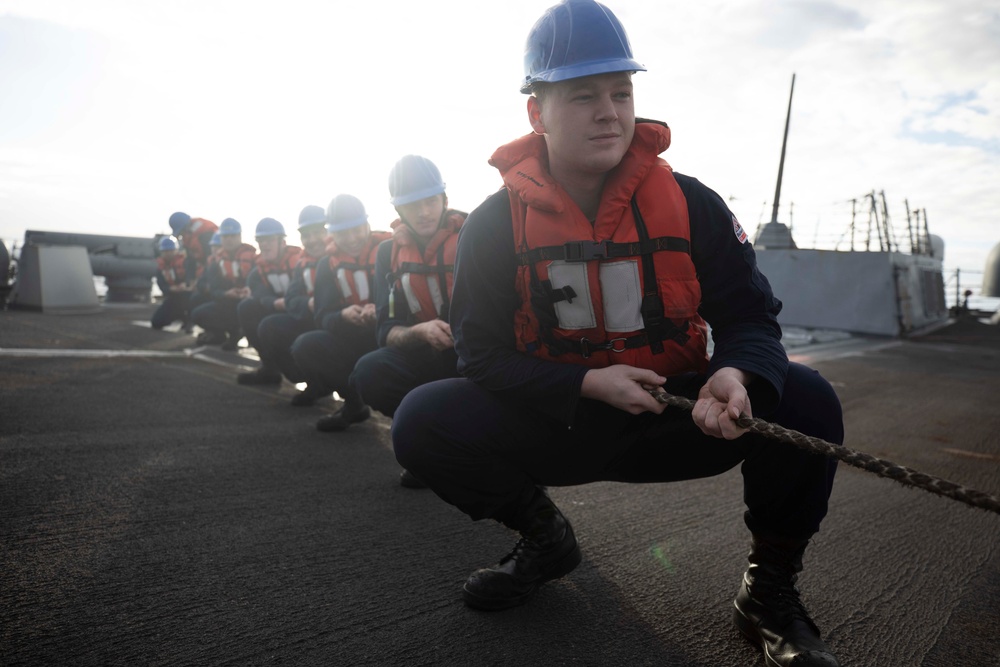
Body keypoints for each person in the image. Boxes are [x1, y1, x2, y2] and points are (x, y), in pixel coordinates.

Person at [389, 2, 844, 666]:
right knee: (422, 419)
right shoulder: (493, 226)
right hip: (559, 421)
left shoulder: (693, 202)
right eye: (583, 95)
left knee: (807, 399)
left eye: (621, 91)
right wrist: (584, 382)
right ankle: (544, 536)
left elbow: (751, 318)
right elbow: (479, 353)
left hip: (676, 417)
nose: (609, 110)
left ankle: (768, 590)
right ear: (536, 112)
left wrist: (736, 374)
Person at [351, 156, 467, 487]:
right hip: (427, 350)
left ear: (444, 199)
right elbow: (385, 330)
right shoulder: (388, 254)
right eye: (413, 204)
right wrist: (419, 330)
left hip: (479, 355)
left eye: (431, 201)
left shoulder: (475, 235)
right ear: (399, 211)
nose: (424, 212)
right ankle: (429, 447)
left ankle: (508, 461)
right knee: (370, 370)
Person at [291, 195, 391, 424]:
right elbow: (322, 316)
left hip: (390, 337)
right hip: (353, 337)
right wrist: (343, 315)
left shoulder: (389, 251)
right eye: (343, 233)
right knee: (305, 344)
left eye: (357, 229)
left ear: (367, 225)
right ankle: (354, 403)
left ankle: (408, 414)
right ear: (332, 234)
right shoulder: (327, 264)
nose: (352, 238)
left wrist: (383, 312)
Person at [246, 206, 334, 405]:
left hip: (345, 324)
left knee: (312, 340)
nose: (312, 240)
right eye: (261, 241)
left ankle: (350, 396)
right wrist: (304, 304)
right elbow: (290, 299)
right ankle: (304, 378)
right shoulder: (303, 264)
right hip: (312, 317)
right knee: (266, 323)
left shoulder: (342, 259)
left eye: (318, 232)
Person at [235, 218, 302, 384]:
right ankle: (270, 367)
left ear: (283, 242)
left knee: (270, 326)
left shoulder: (301, 263)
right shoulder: (256, 272)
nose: (264, 245)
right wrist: (274, 303)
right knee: (247, 307)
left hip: (303, 315)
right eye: (261, 241)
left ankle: (315, 377)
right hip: (281, 313)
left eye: (270, 240)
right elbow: (259, 294)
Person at [190, 218, 258, 351]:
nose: (229, 240)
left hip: (250, 304)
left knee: (251, 309)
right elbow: (214, 290)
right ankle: (229, 332)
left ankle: (249, 334)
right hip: (228, 303)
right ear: (221, 238)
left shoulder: (254, 259)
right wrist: (226, 293)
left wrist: (249, 292)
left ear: (240, 236)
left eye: (233, 236)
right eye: (226, 236)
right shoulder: (216, 262)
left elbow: (262, 286)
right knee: (198, 314)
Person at [151, 235, 193, 331]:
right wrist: (171, 289)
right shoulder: (161, 268)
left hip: (187, 295)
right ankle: (180, 315)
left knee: (191, 298)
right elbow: (162, 285)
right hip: (173, 297)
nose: (168, 253)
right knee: (156, 322)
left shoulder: (186, 262)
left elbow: (191, 276)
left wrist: (185, 285)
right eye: (165, 251)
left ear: (176, 250)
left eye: (171, 250)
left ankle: (190, 319)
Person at [168, 211, 218, 288]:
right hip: (204, 271)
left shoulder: (206, 234)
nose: (181, 235)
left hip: (216, 270)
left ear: (186, 227)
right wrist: (190, 282)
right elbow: (190, 261)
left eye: (181, 232)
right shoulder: (188, 237)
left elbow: (210, 259)